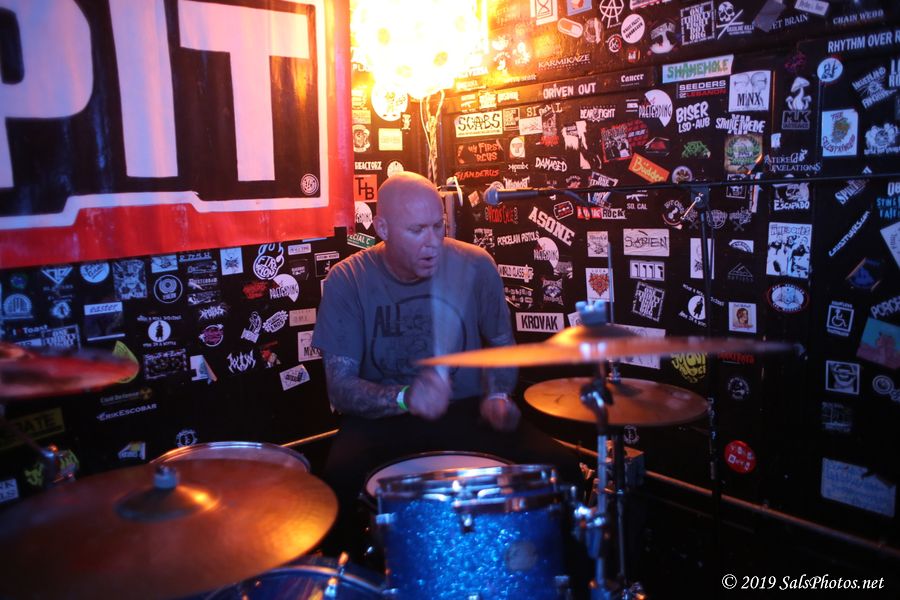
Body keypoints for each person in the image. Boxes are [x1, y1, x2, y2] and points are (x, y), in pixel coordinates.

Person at [312, 171, 582, 563]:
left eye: (437, 226)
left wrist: (498, 394)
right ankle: (356, 580)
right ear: (382, 228)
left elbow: (502, 344)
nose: (432, 242)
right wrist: (406, 398)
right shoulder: (348, 279)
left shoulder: (476, 265)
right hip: (383, 420)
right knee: (337, 481)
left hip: (468, 411)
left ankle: (561, 578)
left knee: (564, 467)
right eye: (416, 230)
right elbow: (340, 388)